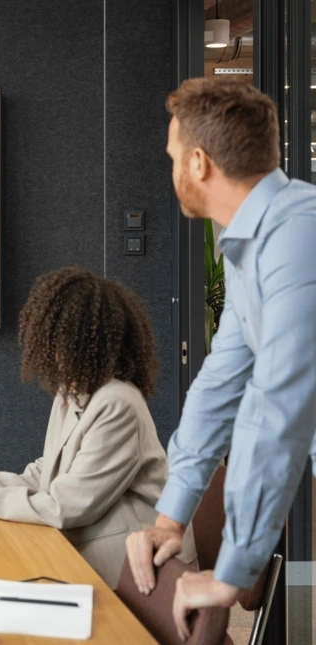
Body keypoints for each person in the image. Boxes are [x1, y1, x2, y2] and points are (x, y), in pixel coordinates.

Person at [125, 77, 316, 639]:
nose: (172, 169)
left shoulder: (298, 237)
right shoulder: (250, 245)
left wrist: (229, 576)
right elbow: (220, 385)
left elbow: (277, 406)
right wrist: (169, 521)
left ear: (200, 163)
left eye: (172, 156)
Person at [0, 267, 196, 589]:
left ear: (83, 343)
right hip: (91, 546)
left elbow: (66, 506)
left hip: (138, 570)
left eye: (55, 339)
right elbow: (45, 473)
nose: (48, 350)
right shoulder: (73, 393)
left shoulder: (118, 403)